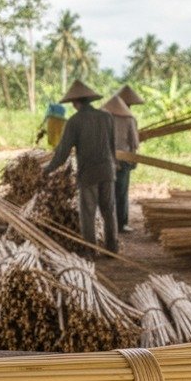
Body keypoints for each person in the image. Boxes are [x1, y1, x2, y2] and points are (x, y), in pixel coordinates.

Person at [43, 80, 118, 254]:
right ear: (89, 100)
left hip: (89, 173)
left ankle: (90, 251)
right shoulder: (107, 117)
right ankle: (112, 248)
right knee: (109, 211)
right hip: (108, 170)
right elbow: (112, 145)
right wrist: (114, 164)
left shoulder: (75, 121)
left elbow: (62, 152)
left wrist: (48, 170)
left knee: (88, 213)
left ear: (76, 103)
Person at [103, 94, 139, 233]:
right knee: (121, 193)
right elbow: (134, 143)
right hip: (123, 160)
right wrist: (134, 159)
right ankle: (121, 224)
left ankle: (106, 224)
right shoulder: (130, 119)